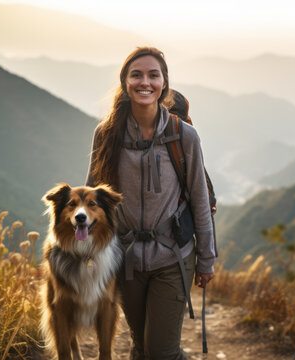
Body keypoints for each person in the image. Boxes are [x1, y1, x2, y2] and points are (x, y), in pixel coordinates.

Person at [86, 46, 216, 360]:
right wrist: (87, 254)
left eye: (153, 75)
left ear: (164, 84)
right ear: (125, 83)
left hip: (173, 256)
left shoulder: (184, 136)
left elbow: (200, 198)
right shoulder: (107, 134)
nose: (145, 82)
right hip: (126, 257)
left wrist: (206, 258)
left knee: (162, 352)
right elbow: (91, 200)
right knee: (142, 346)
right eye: (137, 75)